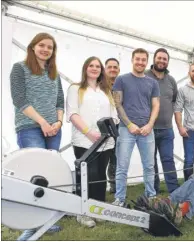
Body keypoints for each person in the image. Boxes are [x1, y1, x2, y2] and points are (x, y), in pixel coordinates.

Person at [10, 32, 64, 241]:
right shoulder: (19, 68)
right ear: (33, 47)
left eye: (50, 47)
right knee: (33, 177)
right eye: (42, 45)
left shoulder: (54, 74)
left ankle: (44, 221)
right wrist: (42, 122)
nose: (45, 49)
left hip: (53, 130)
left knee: (49, 176)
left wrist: (58, 123)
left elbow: (60, 101)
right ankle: (29, 227)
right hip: (30, 127)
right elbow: (19, 99)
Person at [66, 56, 119, 228]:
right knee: (88, 175)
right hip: (84, 140)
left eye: (98, 66)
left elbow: (114, 116)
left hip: (105, 142)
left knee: (100, 176)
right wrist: (89, 132)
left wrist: (109, 129)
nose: (95, 68)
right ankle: (83, 213)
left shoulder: (106, 91)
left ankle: (99, 210)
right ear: (85, 68)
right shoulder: (76, 88)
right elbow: (73, 114)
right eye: (91, 65)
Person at [112, 48, 160, 206]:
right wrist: (129, 124)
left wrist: (150, 125)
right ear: (132, 60)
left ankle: (151, 197)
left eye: (143, 59)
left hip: (147, 130)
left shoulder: (153, 82)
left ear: (147, 61)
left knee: (149, 166)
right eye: (137, 59)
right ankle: (119, 199)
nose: (140, 62)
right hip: (127, 129)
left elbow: (156, 105)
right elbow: (118, 104)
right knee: (122, 166)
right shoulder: (121, 79)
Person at [145, 48, 179, 194]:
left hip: (167, 129)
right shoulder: (144, 76)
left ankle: (174, 191)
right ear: (154, 59)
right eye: (159, 58)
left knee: (168, 160)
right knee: (150, 163)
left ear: (167, 62)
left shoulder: (171, 80)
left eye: (164, 59)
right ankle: (154, 189)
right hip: (148, 129)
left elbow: (175, 100)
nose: (162, 61)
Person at [105, 58, 120, 193]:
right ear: (105, 69)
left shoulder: (122, 85)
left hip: (119, 125)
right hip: (103, 125)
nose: (112, 69)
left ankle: (114, 186)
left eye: (115, 67)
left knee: (115, 157)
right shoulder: (100, 86)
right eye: (110, 67)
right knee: (103, 156)